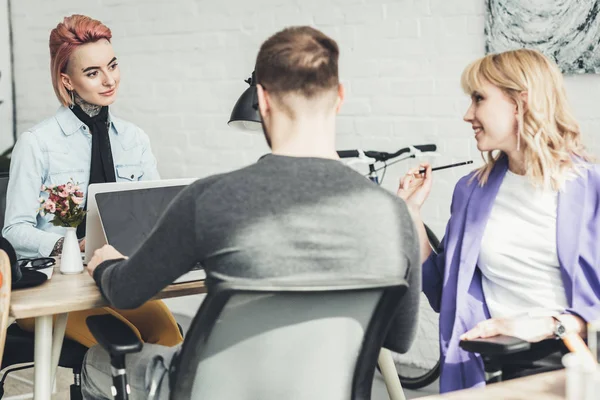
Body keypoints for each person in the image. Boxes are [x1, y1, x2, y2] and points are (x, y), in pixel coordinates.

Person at [81, 26, 422, 399]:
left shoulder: (211, 199)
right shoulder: (392, 214)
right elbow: (399, 338)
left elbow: (127, 292)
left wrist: (104, 264)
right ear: (340, 98)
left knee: (96, 360)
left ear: (260, 100)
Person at [398, 48, 600, 392]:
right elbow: (441, 291)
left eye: (478, 99)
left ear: (520, 103)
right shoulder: (471, 191)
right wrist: (411, 213)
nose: (467, 114)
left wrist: (551, 324)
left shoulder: (591, 188)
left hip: (574, 362)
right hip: (490, 363)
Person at [3, 14, 182, 348]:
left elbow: (156, 214)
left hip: (117, 277)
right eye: (92, 72)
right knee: (127, 346)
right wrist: (65, 245)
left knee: (170, 340)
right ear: (67, 80)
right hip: (54, 289)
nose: (109, 80)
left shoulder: (134, 138)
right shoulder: (38, 143)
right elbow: (13, 231)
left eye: (112, 66)